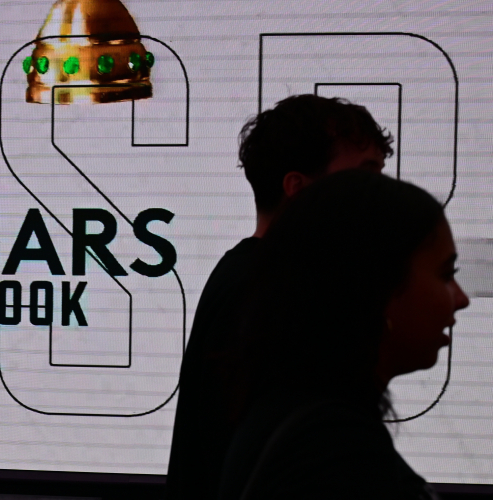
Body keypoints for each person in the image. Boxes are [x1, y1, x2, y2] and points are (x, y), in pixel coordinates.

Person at [165, 94, 394, 500]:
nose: (383, 195)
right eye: (365, 175)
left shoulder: (254, 278)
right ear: (298, 189)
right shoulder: (266, 293)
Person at [215, 170, 469, 499]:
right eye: (446, 274)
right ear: (376, 285)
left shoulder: (291, 413)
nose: (461, 298)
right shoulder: (335, 451)